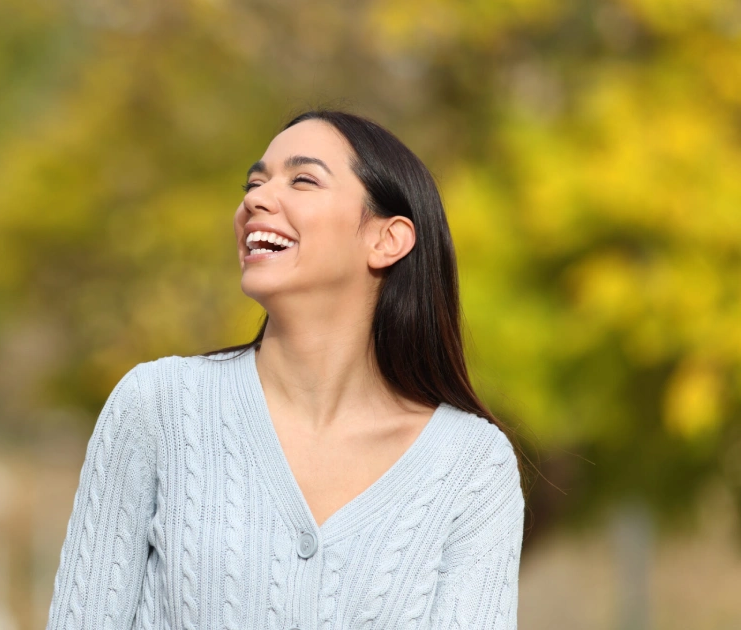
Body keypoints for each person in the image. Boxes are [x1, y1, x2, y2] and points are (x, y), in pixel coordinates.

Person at [45, 109, 527, 630]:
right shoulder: (159, 405)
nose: (255, 199)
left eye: (302, 180)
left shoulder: (472, 468)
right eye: (255, 182)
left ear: (387, 239)